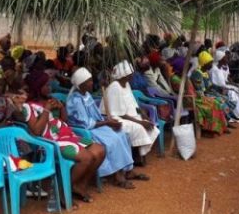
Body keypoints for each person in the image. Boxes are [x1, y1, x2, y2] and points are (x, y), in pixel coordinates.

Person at [19, 73, 106, 204]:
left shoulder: (50, 99)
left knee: (100, 151)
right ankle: (63, 191)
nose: (49, 88)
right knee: (87, 158)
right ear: (37, 87)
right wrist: (47, 110)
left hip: (68, 135)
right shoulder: (28, 107)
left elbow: (64, 121)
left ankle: (79, 185)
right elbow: (36, 131)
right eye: (46, 85)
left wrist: (62, 108)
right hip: (51, 142)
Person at [67, 67, 145, 189]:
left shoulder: (86, 95)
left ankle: (128, 170)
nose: (92, 83)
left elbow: (96, 115)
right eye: (89, 81)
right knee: (113, 140)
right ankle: (118, 177)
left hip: (97, 127)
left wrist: (108, 122)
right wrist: (107, 123)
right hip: (86, 131)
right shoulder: (76, 100)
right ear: (81, 84)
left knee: (123, 134)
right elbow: (86, 123)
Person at [104, 61, 160, 165]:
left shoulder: (127, 84)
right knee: (139, 127)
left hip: (129, 116)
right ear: (124, 75)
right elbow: (120, 113)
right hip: (116, 118)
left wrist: (143, 115)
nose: (132, 75)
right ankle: (138, 157)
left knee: (151, 126)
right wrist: (140, 122)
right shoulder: (115, 87)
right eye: (130, 74)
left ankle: (138, 155)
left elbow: (134, 105)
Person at [189, 51, 231, 133]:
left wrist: (220, 88)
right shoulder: (197, 74)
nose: (211, 65)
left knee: (225, 98)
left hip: (206, 93)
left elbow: (210, 85)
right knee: (218, 101)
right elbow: (201, 90)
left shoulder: (204, 73)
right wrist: (213, 93)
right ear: (204, 63)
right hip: (200, 97)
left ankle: (224, 123)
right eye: (210, 63)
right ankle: (215, 127)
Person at [210, 49, 239, 119]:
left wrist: (234, 84)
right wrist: (230, 87)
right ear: (220, 59)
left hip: (225, 86)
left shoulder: (219, 68)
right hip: (219, 89)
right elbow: (216, 83)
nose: (227, 59)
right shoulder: (214, 69)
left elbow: (225, 80)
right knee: (235, 93)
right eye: (225, 58)